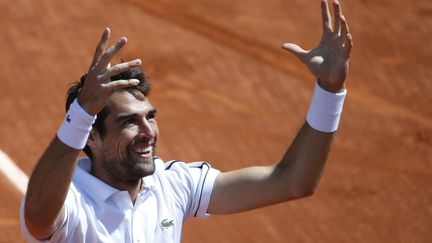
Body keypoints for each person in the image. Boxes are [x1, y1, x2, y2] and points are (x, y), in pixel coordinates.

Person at [20, 0, 353, 242]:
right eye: (129, 122)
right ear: (90, 137)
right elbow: (37, 215)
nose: (148, 132)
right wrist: (81, 111)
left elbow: (292, 181)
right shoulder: (72, 200)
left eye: (150, 117)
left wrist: (329, 91)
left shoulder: (172, 184)